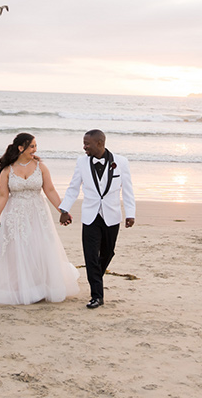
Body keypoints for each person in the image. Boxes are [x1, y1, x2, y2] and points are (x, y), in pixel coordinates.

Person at [0, 133, 79, 305]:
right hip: (15, 215)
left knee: (40, 248)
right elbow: (2, 196)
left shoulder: (40, 167)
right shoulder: (7, 170)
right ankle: (20, 289)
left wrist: (62, 210)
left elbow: (50, 190)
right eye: (32, 146)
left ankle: (41, 287)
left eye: (36, 146)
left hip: (37, 213)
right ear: (21, 148)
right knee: (16, 252)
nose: (35, 149)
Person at [59, 129, 135, 309]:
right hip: (90, 216)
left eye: (87, 143)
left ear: (99, 143)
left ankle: (95, 279)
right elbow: (73, 187)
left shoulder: (121, 162)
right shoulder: (82, 162)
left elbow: (128, 189)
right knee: (91, 256)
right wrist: (64, 209)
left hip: (112, 216)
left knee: (108, 253)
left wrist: (130, 213)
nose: (84, 147)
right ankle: (97, 296)